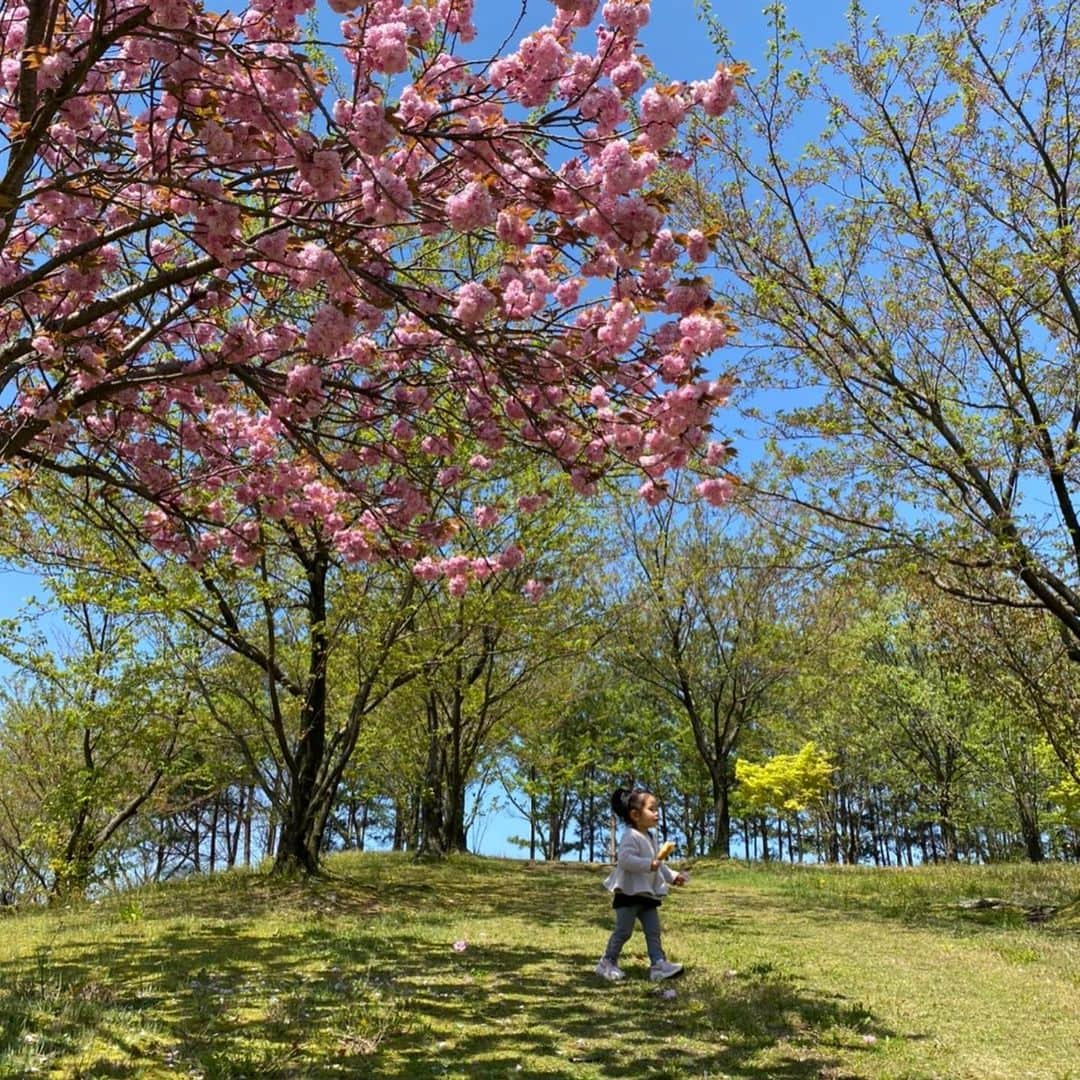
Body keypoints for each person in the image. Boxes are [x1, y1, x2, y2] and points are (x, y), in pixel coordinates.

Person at [595, 786, 687, 982]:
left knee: (653, 931)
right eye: (652, 809)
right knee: (624, 931)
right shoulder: (630, 836)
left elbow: (658, 864)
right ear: (635, 815)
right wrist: (648, 864)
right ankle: (607, 962)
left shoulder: (651, 837)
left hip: (647, 894)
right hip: (628, 893)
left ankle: (658, 964)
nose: (657, 813)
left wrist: (673, 876)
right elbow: (625, 860)